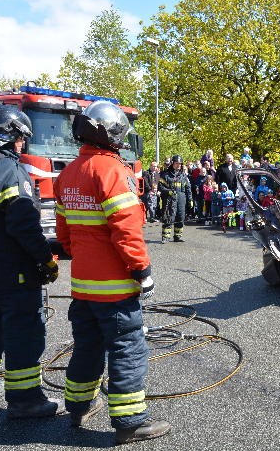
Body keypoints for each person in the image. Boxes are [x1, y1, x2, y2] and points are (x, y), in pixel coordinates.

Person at [53, 101, 170, 443]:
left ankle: (76, 408)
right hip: (115, 289)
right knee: (127, 351)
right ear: (113, 133)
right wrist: (141, 270)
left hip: (83, 288)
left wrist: (84, 256)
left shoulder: (69, 173)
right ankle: (130, 422)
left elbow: (64, 234)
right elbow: (127, 230)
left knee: (86, 347)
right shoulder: (114, 172)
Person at [0, 105, 61, 418]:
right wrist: (45, 260)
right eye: (20, 138)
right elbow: (23, 224)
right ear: (9, 135)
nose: (22, 145)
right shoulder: (7, 170)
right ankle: (25, 399)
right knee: (23, 334)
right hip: (15, 274)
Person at [159, 155, 193, 243]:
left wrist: (190, 200)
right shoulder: (165, 175)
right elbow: (160, 187)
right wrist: (168, 191)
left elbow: (188, 189)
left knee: (180, 217)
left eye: (180, 164)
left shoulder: (184, 176)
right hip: (169, 199)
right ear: (172, 163)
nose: (178, 165)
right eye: (177, 163)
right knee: (169, 217)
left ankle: (178, 236)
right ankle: (165, 237)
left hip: (181, 199)